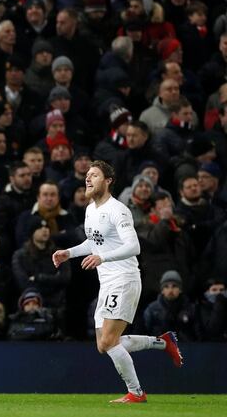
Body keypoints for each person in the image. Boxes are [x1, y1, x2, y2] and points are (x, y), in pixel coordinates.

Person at [52, 161, 183, 403]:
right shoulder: (91, 209)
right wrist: (68, 253)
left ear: (108, 180)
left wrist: (102, 257)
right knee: (104, 345)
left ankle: (136, 393)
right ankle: (163, 342)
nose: (88, 179)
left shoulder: (118, 210)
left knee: (110, 341)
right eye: (87, 175)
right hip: (108, 281)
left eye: (94, 175)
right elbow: (95, 242)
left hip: (124, 279)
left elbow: (133, 246)